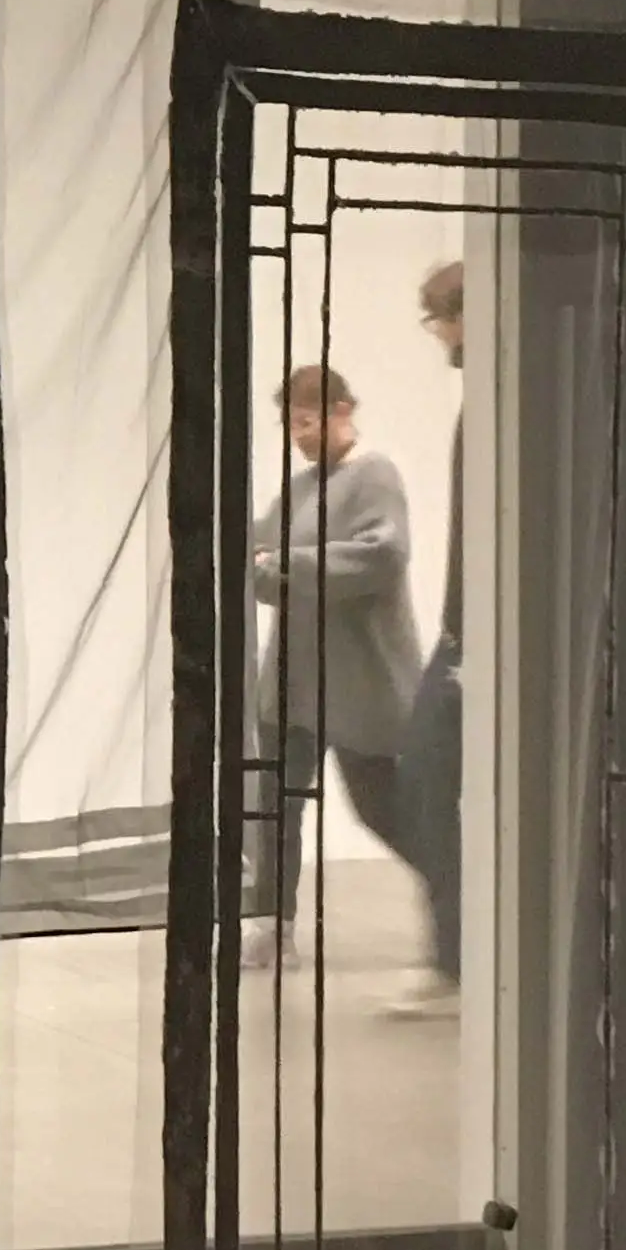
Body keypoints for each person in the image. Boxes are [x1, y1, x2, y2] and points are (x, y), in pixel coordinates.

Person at [244, 364, 423, 968]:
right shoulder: (296, 492)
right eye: (291, 425)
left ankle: (471, 900)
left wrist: (286, 565)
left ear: (342, 410)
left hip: (358, 683)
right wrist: (274, 566)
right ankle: (273, 929)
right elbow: (254, 562)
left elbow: (382, 554)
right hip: (293, 682)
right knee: (276, 806)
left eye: (306, 422)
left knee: (383, 810)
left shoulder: (374, 475)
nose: (299, 436)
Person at [399, 261, 468, 1006]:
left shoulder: (500, 407)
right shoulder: (485, 406)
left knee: (424, 776)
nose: (438, 335)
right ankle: (456, 954)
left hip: (471, 645)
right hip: (462, 639)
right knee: (421, 778)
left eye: (439, 319)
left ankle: (459, 957)